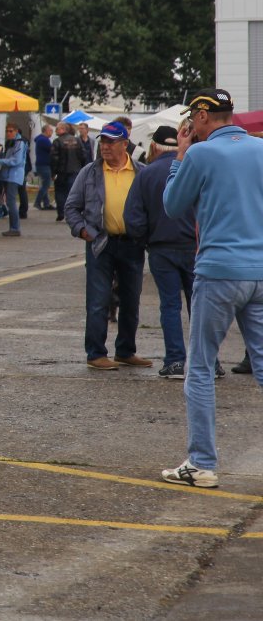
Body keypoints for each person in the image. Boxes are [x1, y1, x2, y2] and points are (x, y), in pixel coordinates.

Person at [159, 88, 263, 488]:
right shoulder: (259, 149)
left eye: (193, 119)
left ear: (202, 116)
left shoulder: (201, 154)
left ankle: (201, 463)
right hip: (259, 269)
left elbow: (172, 205)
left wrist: (180, 155)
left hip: (219, 269)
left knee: (201, 367)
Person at [63, 121, 147, 371]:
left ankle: (126, 351)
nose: (105, 146)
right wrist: (82, 230)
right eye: (103, 141)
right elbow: (71, 207)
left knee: (131, 300)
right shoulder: (89, 172)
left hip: (132, 244)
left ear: (125, 144)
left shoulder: (141, 172)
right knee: (98, 300)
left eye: (111, 142)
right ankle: (96, 353)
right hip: (100, 243)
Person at [123, 125, 196, 380]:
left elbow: (132, 217)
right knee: (200, 306)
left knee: (170, 305)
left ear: (153, 146)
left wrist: (146, 240)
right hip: (195, 247)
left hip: (161, 248)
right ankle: (209, 362)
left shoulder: (146, 174)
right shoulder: (194, 170)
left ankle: (175, 361)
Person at [0, 123, 27, 237]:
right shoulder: (11, 142)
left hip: (14, 175)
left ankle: (15, 228)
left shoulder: (19, 143)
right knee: (9, 201)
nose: (8, 133)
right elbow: (9, 157)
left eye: (11, 131)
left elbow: (16, 160)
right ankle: (13, 227)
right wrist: (0, 155)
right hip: (8, 175)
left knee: (11, 202)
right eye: (7, 131)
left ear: (16, 131)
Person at [51, 123, 87, 223]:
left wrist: (53, 172)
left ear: (63, 129)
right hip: (75, 171)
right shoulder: (77, 140)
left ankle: (61, 213)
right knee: (73, 193)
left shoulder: (57, 141)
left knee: (60, 192)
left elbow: (54, 158)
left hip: (61, 172)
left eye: (57, 129)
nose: (55, 131)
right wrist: (82, 168)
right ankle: (72, 214)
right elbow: (83, 155)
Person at [33, 124, 54, 211]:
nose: (52, 132)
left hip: (41, 164)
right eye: (51, 130)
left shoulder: (41, 139)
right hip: (44, 164)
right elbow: (52, 149)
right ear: (46, 131)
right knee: (46, 184)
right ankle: (37, 202)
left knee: (45, 183)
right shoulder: (44, 140)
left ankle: (46, 203)